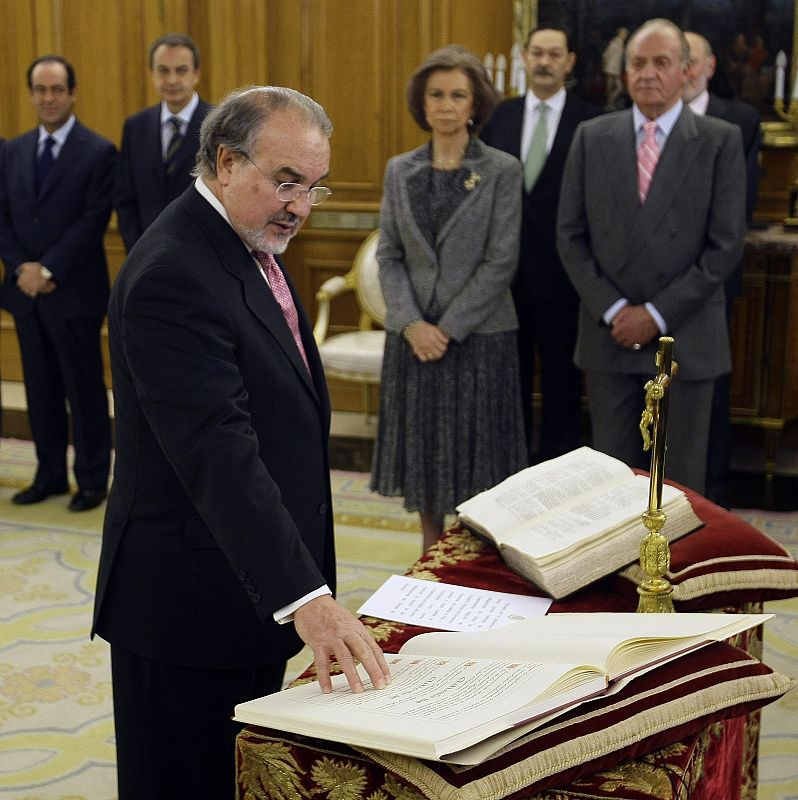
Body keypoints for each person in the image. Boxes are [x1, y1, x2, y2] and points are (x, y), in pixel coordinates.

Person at [92, 86, 391, 799]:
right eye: (285, 182)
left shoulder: (243, 237)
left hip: (244, 588)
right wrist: (305, 596)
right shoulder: (175, 271)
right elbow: (217, 451)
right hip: (186, 607)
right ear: (226, 162)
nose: (299, 205)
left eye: (312, 188)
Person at [557, 19, 746, 495]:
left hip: (687, 338)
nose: (647, 73)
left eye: (661, 63)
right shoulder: (592, 136)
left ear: (685, 71)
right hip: (610, 335)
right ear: (624, 73)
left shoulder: (720, 140)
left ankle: (675, 572)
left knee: (680, 487)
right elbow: (570, 236)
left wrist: (655, 315)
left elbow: (724, 247)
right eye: (637, 63)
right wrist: (618, 310)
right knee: (609, 485)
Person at [371, 45, 527, 550]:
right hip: (414, 339)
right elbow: (389, 254)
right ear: (422, 102)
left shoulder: (502, 169)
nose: (445, 104)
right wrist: (413, 324)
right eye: (435, 94)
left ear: (474, 103)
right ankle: (429, 552)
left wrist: (447, 328)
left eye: (457, 95)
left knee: (476, 460)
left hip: (477, 338)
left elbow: (500, 261)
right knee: (424, 456)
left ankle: (474, 558)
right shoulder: (400, 170)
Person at [0, 55, 116, 512]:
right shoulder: (11, 150)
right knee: (40, 389)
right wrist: (20, 269)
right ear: (31, 94)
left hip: (74, 294)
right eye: (40, 90)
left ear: (72, 93)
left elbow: (92, 222)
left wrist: (46, 269)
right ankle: (48, 475)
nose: (48, 98)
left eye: (56, 90)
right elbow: (3, 217)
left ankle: (91, 480)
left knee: (83, 390)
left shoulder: (98, 150)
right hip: (25, 295)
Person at [481, 28, 601, 463]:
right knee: (507, 381)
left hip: (566, 277)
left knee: (561, 383)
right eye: (537, 53)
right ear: (524, 58)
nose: (544, 61)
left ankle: (558, 476)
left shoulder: (592, 120)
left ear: (569, 61)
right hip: (503, 276)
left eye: (554, 54)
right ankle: (508, 473)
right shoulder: (500, 116)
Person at [684, 30, 762, 507]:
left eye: (693, 61)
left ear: (710, 66)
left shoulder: (739, 121)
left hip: (710, 281)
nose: (686, 70)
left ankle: (708, 498)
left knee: (706, 393)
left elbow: (739, 209)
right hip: (640, 292)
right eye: (679, 60)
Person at [114, 32, 212, 252]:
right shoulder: (135, 126)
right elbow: (125, 199)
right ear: (152, 74)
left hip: (202, 252)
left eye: (181, 70)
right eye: (163, 70)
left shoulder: (218, 125)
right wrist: (138, 250)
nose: (172, 80)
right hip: (147, 254)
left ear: (196, 73)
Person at [602, 27, 629, 109]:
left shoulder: (620, 43)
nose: (625, 36)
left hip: (613, 68)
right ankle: (609, 103)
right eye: (624, 34)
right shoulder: (615, 43)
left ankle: (610, 102)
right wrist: (605, 64)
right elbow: (606, 55)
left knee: (614, 87)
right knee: (615, 87)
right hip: (612, 68)